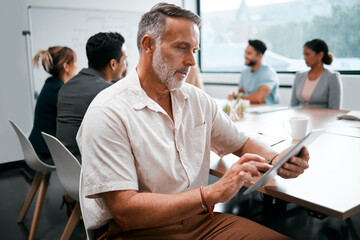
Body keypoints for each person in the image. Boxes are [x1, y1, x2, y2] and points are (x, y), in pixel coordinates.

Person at [77, 3, 310, 239]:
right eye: (182, 48)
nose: (192, 61)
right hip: (138, 231)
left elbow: (240, 142)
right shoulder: (107, 112)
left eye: (194, 50)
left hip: (200, 221)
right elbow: (126, 211)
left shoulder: (196, 99)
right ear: (149, 45)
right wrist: (211, 194)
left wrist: (277, 159)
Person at [56, 32, 127, 162]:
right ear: (113, 64)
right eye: (124, 60)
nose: (125, 66)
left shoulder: (66, 86)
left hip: (66, 164)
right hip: (90, 166)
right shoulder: (107, 92)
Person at [29, 46, 77, 163]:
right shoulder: (59, 90)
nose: (77, 66)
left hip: (38, 145)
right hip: (46, 151)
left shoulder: (51, 84)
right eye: (75, 63)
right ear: (66, 67)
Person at [290, 39, 342, 109]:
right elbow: (292, 105)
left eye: (308, 55)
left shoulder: (332, 77)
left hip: (322, 118)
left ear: (320, 55)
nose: (305, 58)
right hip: (300, 118)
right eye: (304, 55)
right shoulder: (299, 76)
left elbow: (335, 108)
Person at [230, 39, 279, 104]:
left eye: (249, 53)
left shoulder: (268, 72)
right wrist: (234, 95)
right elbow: (240, 93)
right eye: (245, 52)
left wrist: (238, 97)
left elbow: (259, 98)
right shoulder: (245, 72)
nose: (245, 56)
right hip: (250, 109)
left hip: (267, 111)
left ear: (260, 56)